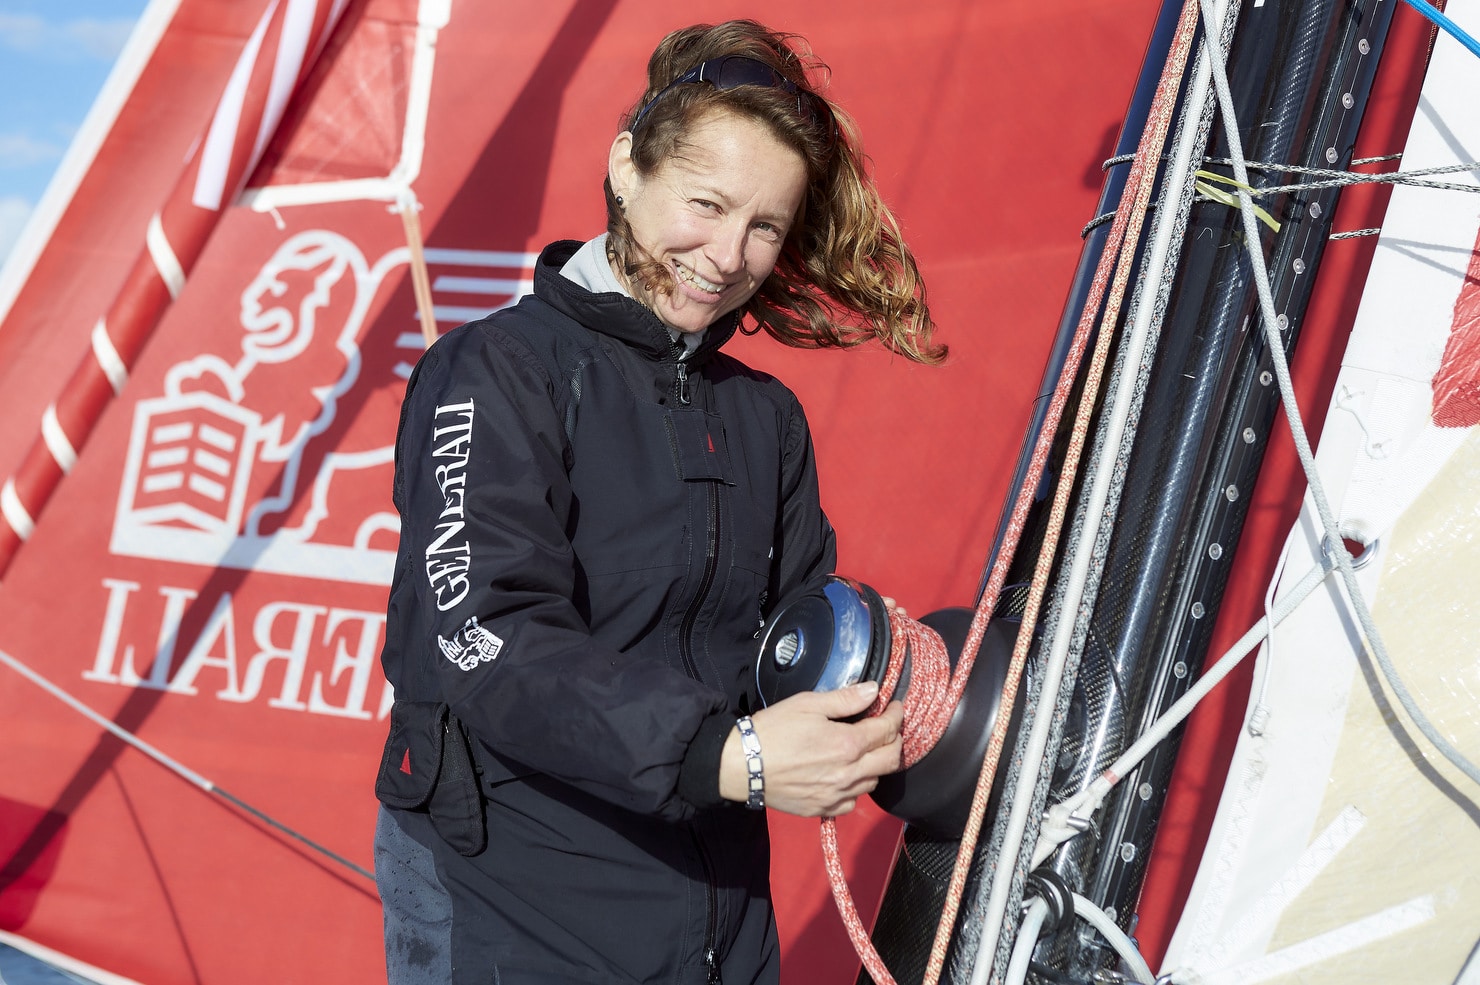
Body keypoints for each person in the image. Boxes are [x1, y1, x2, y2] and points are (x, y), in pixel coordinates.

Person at [373, 19, 945, 985]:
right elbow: (477, 635)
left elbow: (796, 638)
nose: (726, 255)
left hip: (718, 905)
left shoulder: (764, 416)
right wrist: (735, 758)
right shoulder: (497, 370)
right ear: (627, 168)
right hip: (512, 897)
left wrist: (918, 700)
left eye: (764, 226)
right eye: (706, 203)